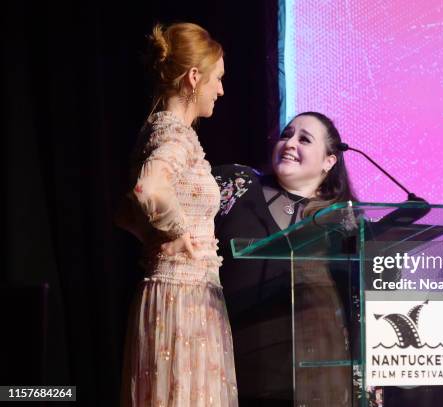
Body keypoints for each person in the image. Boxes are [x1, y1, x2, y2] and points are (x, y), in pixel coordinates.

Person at [116, 22, 237, 406]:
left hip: (173, 294)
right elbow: (147, 189)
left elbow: (123, 212)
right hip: (182, 301)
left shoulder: (158, 130)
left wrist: (159, 239)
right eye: (216, 79)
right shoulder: (174, 136)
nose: (220, 90)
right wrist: (179, 233)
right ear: (193, 77)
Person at [212, 112, 356, 406]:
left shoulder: (343, 221)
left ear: (329, 161)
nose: (290, 143)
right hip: (237, 368)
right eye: (286, 135)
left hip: (316, 377)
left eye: (304, 139)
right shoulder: (237, 186)